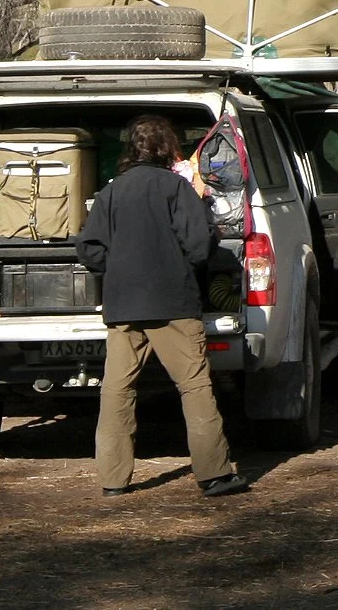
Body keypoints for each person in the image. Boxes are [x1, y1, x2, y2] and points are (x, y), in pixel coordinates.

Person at [78, 113, 250, 498]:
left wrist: (120, 268)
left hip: (123, 305)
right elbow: (199, 246)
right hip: (173, 303)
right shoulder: (177, 189)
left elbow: (89, 249)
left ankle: (113, 481)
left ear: (130, 149)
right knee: (194, 386)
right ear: (168, 148)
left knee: (117, 390)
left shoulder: (110, 193)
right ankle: (214, 475)